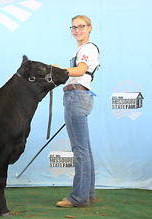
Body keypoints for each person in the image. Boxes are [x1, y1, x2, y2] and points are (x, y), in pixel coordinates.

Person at [54, 15, 100, 207]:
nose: (77, 30)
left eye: (81, 26)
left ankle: (79, 197)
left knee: (80, 150)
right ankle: (87, 193)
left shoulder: (88, 48)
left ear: (89, 28)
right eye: (73, 27)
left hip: (76, 97)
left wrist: (57, 70)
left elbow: (80, 70)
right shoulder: (82, 49)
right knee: (84, 149)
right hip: (80, 96)